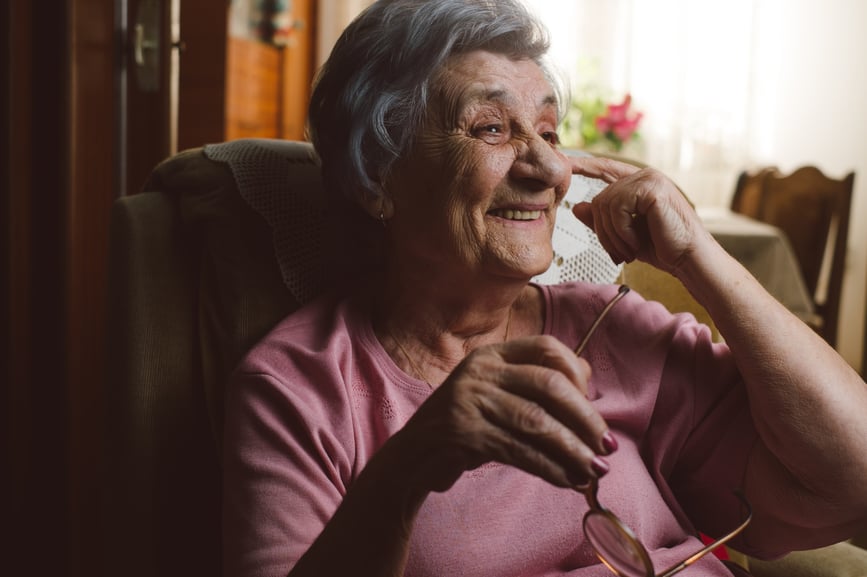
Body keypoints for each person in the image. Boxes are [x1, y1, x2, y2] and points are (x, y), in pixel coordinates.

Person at [222, 1, 867, 576]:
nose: (552, 169)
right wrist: (416, 459)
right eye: (492, 129)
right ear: (377, 180)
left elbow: (854, 477)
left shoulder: (615, 330)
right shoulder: (302, 388)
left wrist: (698, 255)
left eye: (551, 133)